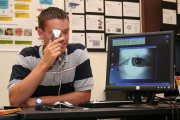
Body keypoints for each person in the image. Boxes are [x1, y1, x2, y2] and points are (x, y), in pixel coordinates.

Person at [8, 7, 94, 107]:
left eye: (66, 32)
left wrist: (40, 101)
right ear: (41, 33)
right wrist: (44, 64)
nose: (62, 38)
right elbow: (14, 100)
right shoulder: (27, 56)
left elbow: (84, 97)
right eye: (56, 33)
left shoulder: (78, 52)